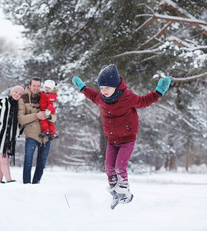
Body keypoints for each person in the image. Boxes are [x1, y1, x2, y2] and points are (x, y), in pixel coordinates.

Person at [72, 64, 171, 209]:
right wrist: (82, 88)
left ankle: (125, 193)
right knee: (109, 167)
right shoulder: (102, 98)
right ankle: (115, 193)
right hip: (112, 140)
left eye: (107, 87)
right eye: (102, 88)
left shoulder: (127, 96)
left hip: (127, 139)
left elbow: (143, 102)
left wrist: (159, 92)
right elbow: (92, 95)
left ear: (115, 86)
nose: (104, 91)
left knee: (119, 167)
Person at [18, 77, 57, 184]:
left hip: (46, 135)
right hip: (32, 134)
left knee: (42, 163)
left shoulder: (46, 95)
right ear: (29, 85)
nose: (36, 88)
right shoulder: (24, 98)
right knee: (28, 161)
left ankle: (36, 184)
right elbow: (21, 119)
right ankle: (26, 184)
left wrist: (48, 117)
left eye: (38, 86)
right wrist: (37, 115)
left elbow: (54, 116)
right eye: (34, 85)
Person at [0, 86, 25, 183]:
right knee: (4, 160)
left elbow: (18, 123)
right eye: (15, 92)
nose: (17, 95)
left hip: (9, 139)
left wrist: (18, 132)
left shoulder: (18, 106)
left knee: (1, 161)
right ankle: (9, 180)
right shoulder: (2, 101)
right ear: (12, 92)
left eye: (20, 94)